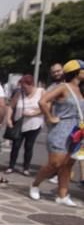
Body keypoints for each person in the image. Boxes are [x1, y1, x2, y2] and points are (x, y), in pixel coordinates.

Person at [30, 59, 84, 207]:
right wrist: (50, 117)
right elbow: (43, 101)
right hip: (61, 130)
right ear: (76, 72)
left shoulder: (81, 90)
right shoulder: (63, 87)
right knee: (55, 163)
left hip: (76, 131)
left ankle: (63, 194)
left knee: (68, 164)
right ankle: (35, 184)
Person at [5, 74, 44, 176]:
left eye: (25, 87)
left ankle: (26, 168)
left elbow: (46, 107)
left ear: (31, 85)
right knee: (16, 145)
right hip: (19, 124)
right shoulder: (19, 93)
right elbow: (11, 106)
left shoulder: (41, 92)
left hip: (34, 124)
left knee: (29, 146)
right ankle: (11, 166)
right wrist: (9, 119)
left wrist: (33, 113)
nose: (23, 89)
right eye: (22, 86)